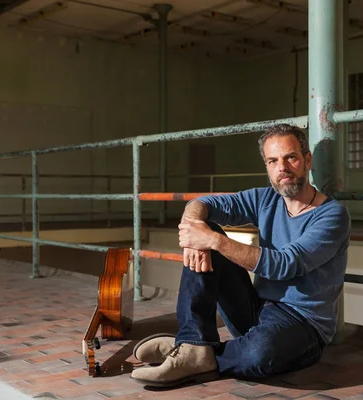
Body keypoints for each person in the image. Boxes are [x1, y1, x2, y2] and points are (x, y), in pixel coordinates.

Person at [130, 124, 351, 388]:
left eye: (290, 157)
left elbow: (285, 264)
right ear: (267, 166)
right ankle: (191, 342)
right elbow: (202, 203)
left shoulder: (332, 215)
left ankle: (194, 352)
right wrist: (193, 234)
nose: (282, 167)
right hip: (256, 309)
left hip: (304, 325)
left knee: (259, 354)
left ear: (307, 160)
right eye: (273, 161)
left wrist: (212, 240)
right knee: (205, 227)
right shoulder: (265, 199)